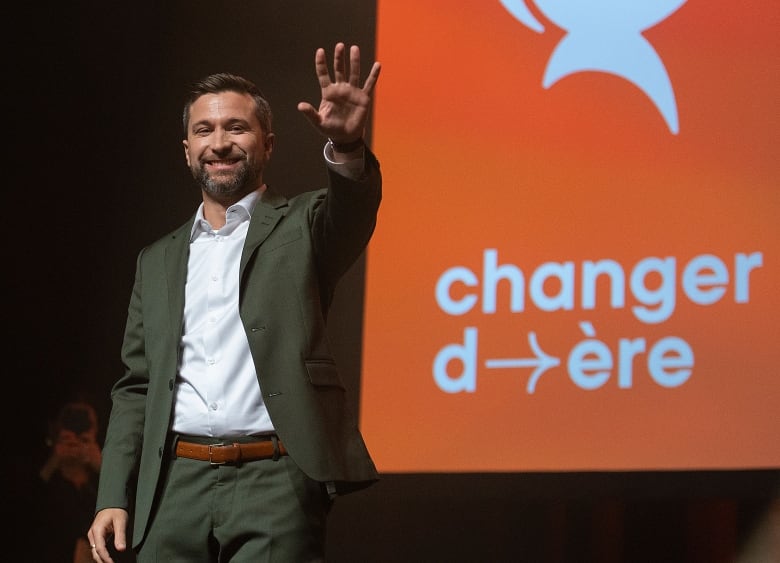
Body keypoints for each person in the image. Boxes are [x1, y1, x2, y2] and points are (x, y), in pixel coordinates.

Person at [87, 42, 382, 562]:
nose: (219, 143)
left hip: (275, 480)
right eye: (205, 131)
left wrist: (349, 146)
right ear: (186, 149)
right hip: (174, 484)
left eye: (236, 129)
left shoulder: (304, 223)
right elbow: (135, 387)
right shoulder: (155, 260)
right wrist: (113, 493)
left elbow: (352, 211)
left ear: (267, 143)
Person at [35, 400, 113, 563]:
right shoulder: (44, 483)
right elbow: (22, 521)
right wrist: (53, 463)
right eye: (67, 437)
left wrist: (103, 468)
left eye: (83, 439)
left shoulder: (100, 484)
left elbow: (126, 517)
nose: (75, 443)